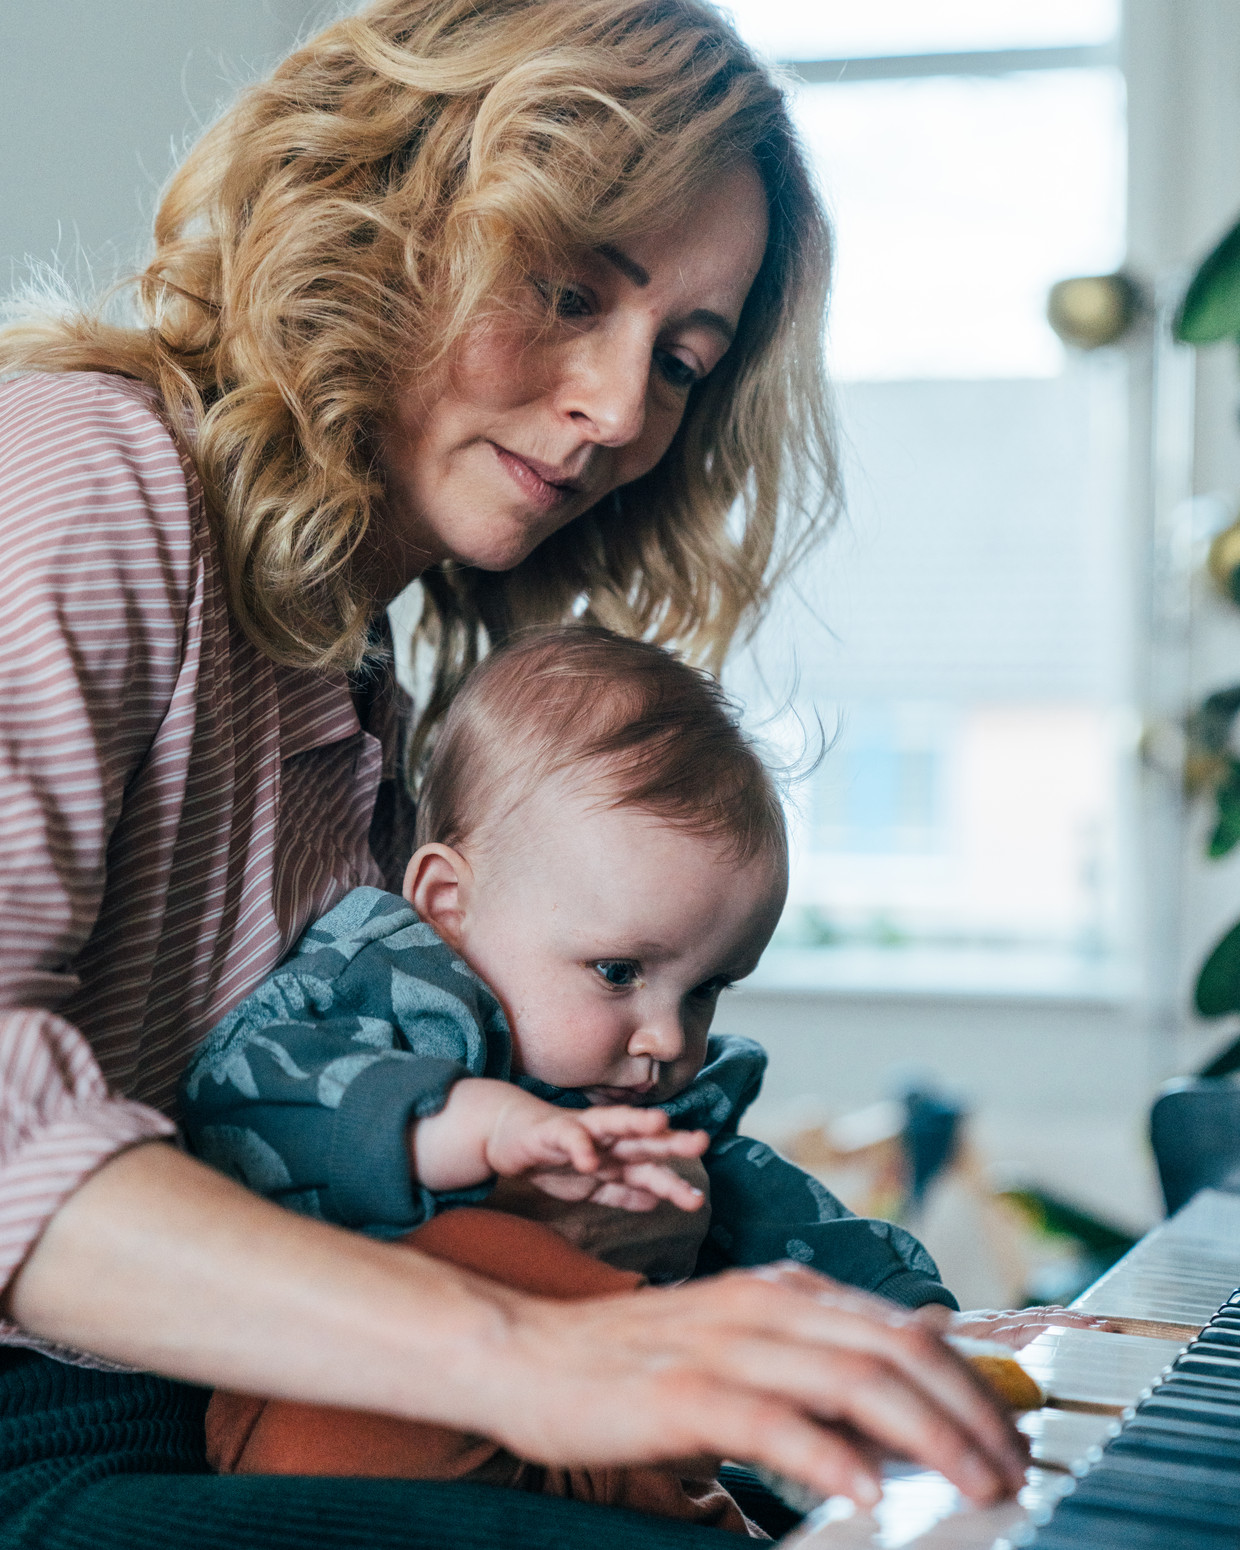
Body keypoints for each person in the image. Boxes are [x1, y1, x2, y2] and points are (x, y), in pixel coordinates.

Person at [0, 2, 1035, 1547]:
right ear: (395, 213)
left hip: (209, 1410)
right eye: (567, 290)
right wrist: (539, 1356)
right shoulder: (91, 468)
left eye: (680, 361)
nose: (621, 412)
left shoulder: (364, 664)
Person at [181, 627, 959, 1531]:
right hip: (344, 1417)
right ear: (449, 906)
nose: (667, 1036)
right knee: (477, 1256)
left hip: (577, 1443)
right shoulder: (387, 996)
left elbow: (772, 1213)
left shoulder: (649, 1102)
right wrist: (462, 1124)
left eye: (706, 988)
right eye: (619, 972)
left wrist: (912, 1320)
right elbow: (238, 1104)